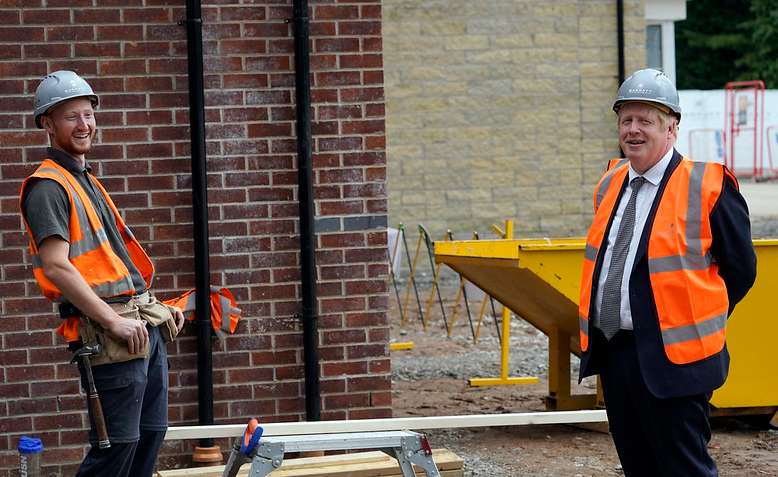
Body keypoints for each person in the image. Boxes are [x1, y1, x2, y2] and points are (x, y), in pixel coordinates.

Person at [577, 68, 757, 476]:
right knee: (638, 466)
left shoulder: (707, 185)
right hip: (618, 352)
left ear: (671, 128)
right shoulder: (610, 183)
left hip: (677, 360)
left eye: (646, 121)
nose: (634, 130)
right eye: (627, 120)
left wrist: (692, 315)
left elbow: (741, 271)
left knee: (683, 468)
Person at [19, 70, 186, 477]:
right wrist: (113, 320)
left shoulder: (85, 179)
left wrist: (153, 307)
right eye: (71, 116)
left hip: (139, 324)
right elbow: (57, 266)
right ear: (48, 124)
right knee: (116, 449)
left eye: (88, 114)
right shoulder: (48, 187)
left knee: (149, 437)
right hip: (111, 335)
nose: (84, 125)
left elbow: (110, 265)